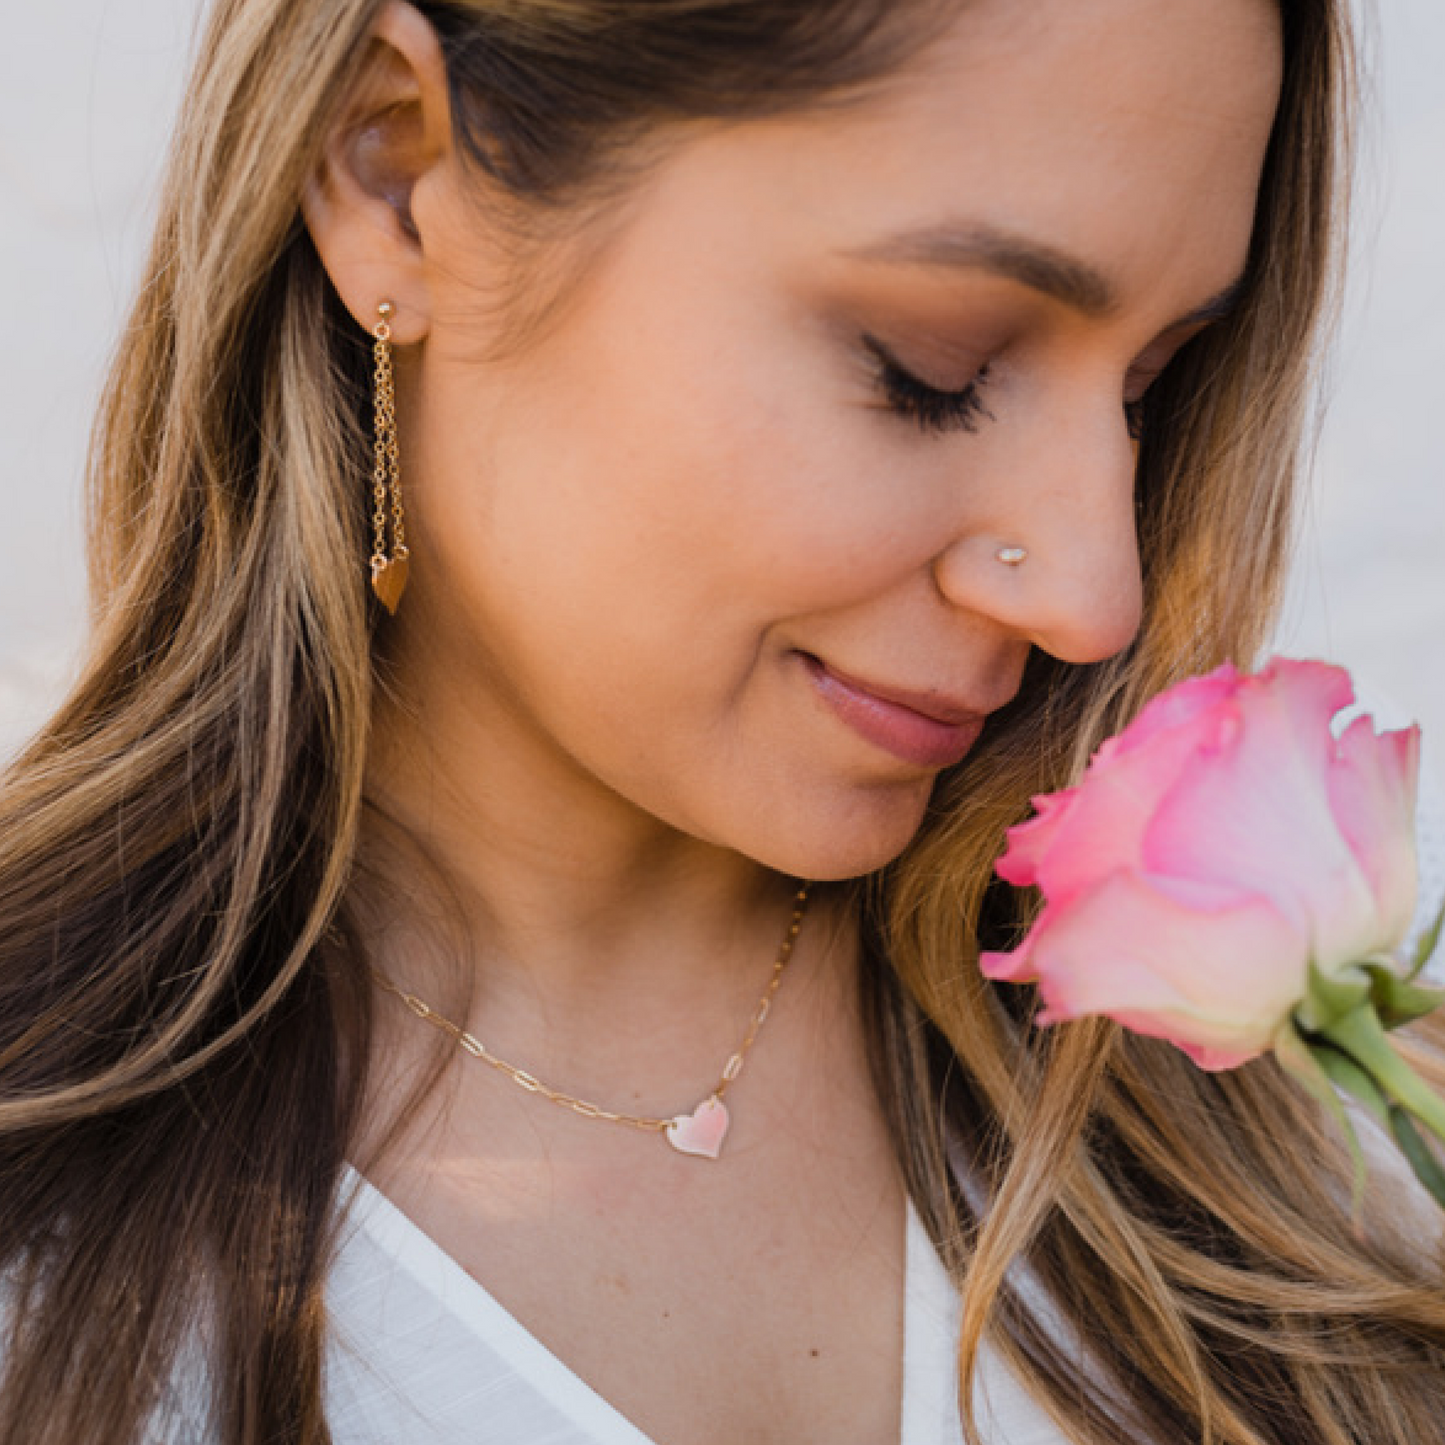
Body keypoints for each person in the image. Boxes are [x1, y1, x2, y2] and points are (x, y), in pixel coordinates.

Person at [1, 0, 1443, 1441]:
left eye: (1148, 390)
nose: (1093, 598)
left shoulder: (1269, 1137)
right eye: (927, 367)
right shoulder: (50, 1229)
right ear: (396, 174)